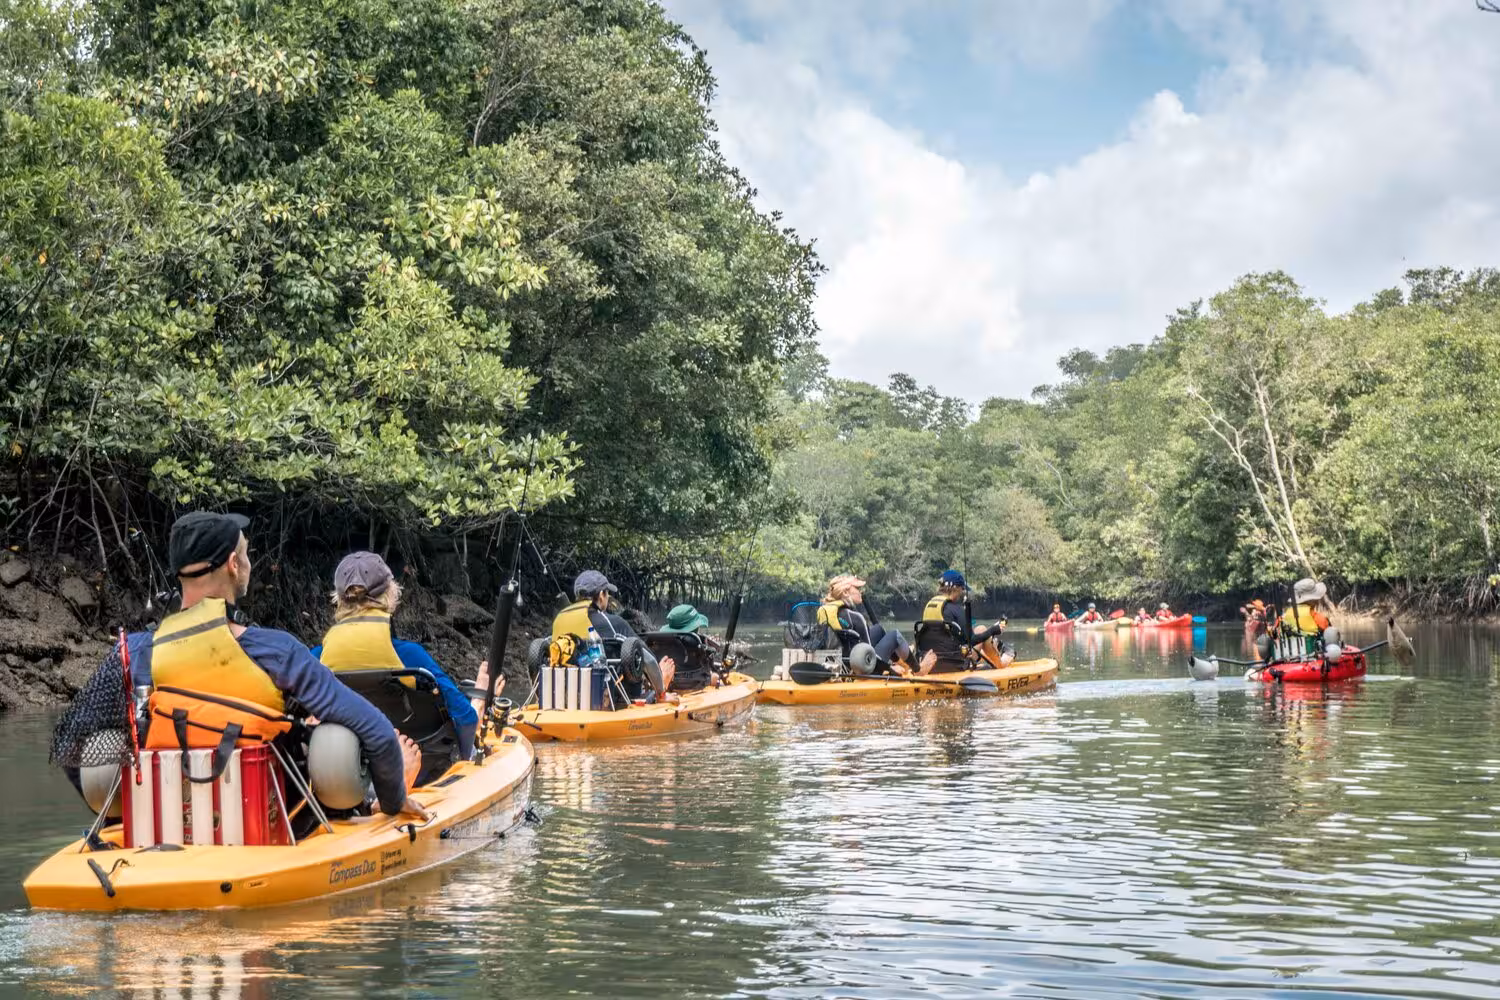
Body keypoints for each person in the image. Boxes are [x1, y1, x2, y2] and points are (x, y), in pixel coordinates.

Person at [122, 512, 425, 819]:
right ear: (233, 565)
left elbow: (78, 749)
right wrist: (393, 800)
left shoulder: (132, 651)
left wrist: (117, 820)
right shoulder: (276, 650)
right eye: (246, 553)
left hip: (163, 822)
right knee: (331, 739)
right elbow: (378, 732)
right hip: (273, 823)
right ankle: (383, 799)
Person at [311, 552, 484, 761]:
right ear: (390, 595)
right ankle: (481, 697)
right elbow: (465, 718)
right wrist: (468, 756)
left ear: (338, 599)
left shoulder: (316, 660)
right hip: (421, 770)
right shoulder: (410, 655)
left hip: (348, 773)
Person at [552, 571, 678, 704]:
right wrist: (661, 690)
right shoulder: (612, 622)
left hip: (566, 696)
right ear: (601, 596)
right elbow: (648, 659)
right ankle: (662, 690)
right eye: (607, 594)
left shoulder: (560, 620)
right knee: (657, 669)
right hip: (613, 699)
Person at [816, 574, 915, 673]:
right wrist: (889, 668)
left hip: (842, 664)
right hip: (861, 669)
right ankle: (917, 669)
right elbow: (868, 656)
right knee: (895, 635)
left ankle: (901, 662)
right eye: (857, 588)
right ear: (845, 592)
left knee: (878, 629)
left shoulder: (827, 613)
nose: (861, 592)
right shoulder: (856, 618)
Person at [916, 570, 1006, 674]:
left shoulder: (929, 606)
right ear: (955, 588)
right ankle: (1000, 666)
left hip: (930, 665)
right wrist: (993, 630)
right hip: (955, 665)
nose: (962, 591)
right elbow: (971, 640)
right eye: (962, 588)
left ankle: (996, 661)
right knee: (984, 630)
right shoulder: (956, 609)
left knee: (979, 629)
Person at [658, 603, 722, 692]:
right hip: (697, 683)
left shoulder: (661, 644)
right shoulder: (699, 645)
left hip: (670, 683)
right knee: (716, 677)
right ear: (696, 627)